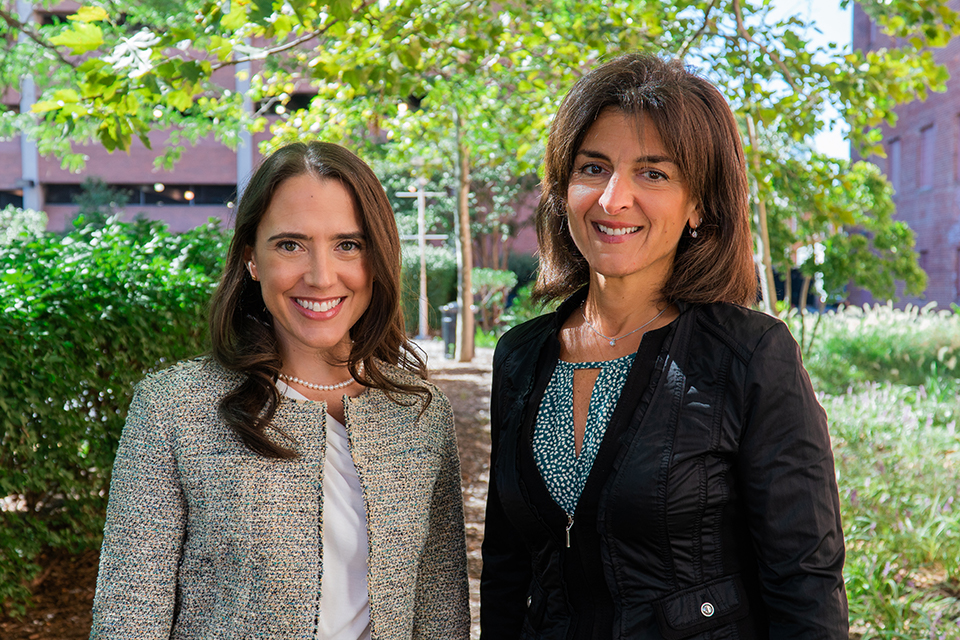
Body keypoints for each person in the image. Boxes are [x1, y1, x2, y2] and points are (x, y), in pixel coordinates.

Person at [480, 54, 848, 639]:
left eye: (653, 174)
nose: (612, 199)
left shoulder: (750, 356)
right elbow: (507, 566)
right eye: (592, 167)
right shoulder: (520, 356)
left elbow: (804, 580)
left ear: (698, 203)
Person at [90, 141, 470, 640]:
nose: (320, 276)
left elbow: (440, 615)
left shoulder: (419, 413)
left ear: (376, 258)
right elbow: (129, 617)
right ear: (252, 258)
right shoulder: (173, 409)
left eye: (347, 245)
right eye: (290, 244)